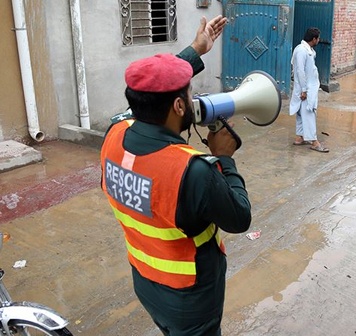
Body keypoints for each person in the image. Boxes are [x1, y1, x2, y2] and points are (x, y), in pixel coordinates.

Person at [100, 15, 252, 336]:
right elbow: (240, 219)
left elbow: (149, 97)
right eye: (190, 93)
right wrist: (224, 159)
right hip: (191, 296)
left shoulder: (115, 133)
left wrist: (197, 50)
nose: (193, 98)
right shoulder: (192, 169)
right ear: (180, 107)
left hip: (146, 282)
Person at [290, 27, 329, 153]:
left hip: (308, 87)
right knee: (309, 112)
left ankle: (300, 137)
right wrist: (304, 90)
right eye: (318, 38)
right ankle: (314, 141)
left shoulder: (308, 50)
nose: (318, 41)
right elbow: (300, 71)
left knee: (301, 112)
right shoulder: (301, 51)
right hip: (305, 88)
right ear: (314, 39)